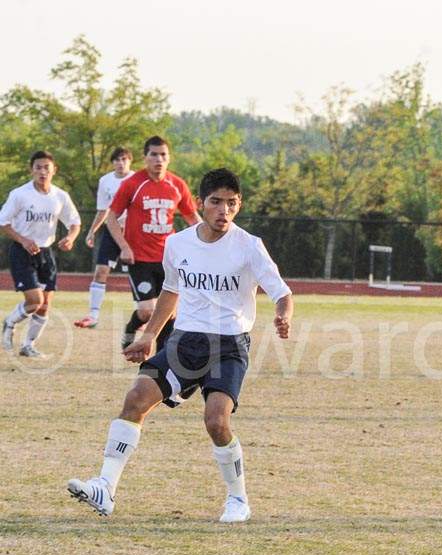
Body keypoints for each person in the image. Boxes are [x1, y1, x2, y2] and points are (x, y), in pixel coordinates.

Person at [67, 168, 294, 523]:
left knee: (216, 421)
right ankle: (105, 487)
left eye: (231, 204)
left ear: (239, 205)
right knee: (136, 398)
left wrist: (283, 315)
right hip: (184, 342)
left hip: (229, 346)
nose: (224, 211)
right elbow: (171, 291)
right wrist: (149, 335)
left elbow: (282, 292)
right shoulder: (178, 243)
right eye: (216, 203)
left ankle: (238, 499)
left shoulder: (249, 246)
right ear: (201, 204)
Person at [104, 135, 199, 350]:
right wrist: (124, 247)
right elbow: (111, 218)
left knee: (169, 313)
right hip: (139, 258)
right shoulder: (133, 184)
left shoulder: (177, 185)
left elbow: (192, 218)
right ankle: (131, 327)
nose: (159, 159)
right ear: (145, 157)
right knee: (147, 311)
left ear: (169, 158)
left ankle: (160, 359)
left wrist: (212, 238)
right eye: (154, 154)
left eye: (163, 155)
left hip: (169, 258)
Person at [1, 151, 82, 358]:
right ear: (32, 170)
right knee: (34, 301)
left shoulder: (60, 196)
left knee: (45, 306)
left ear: (54, 170)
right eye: (38, 167)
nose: (42, 171)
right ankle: (10, 322)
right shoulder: (20, 194)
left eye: (47, 167)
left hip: (45, 253)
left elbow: (74, 222)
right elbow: (3, 222)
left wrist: (71, 238)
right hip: (22, 252)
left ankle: (28, 345)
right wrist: (24, 240)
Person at [74, 147, 134, 329]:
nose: (120, 162)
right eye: (116, 159)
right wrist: (92, 230)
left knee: (139, 273)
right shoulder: (105, 181)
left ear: (130, 161)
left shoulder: (137, 179)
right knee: (100, 271)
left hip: (133, 231)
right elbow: (103, 210)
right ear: (112, 162)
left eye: (124, 159)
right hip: (111, 231)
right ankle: (93, 315)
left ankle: (142, 315)